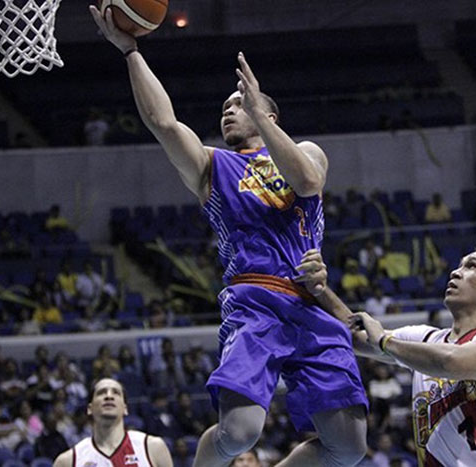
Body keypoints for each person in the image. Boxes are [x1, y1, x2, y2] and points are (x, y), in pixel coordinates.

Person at [90, 7, 369, 467]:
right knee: (239, 434)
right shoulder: (211, 166)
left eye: (237, 105)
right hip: (254, 300)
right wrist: (130, 51)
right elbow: (163, 123)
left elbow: (306, 184)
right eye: (224, 109)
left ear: (268, 113)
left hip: (314, 303)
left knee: (350, 446)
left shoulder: (307, 152)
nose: (228, 112)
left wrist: (261, 115)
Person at [295, 243, 476, 466]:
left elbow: (452, 361)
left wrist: (385, 340)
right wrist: (320, 290)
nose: (456, 272)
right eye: (459, 266)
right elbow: (361, 338)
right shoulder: (426, 339)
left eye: (471, 267)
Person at [53, 377, 173, 467]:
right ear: (90, 408)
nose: (109, 396)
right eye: (101, 393)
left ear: (125, 408)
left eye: (116, 393)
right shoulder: (69, 461)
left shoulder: (152, 447)